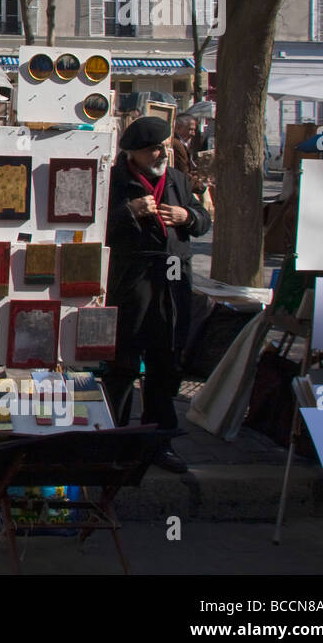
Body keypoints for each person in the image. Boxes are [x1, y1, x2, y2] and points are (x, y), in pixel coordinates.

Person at [103, 116, 211, 474]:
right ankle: (114, 436)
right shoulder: (116, 182)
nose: (161, 153)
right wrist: (129, 212)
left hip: (174, 278)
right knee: (124, 360)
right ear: (134, 154)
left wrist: (188, 216)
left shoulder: (177, 180)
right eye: (153, 149)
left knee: (167, 361)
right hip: (134, 278)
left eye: (163, 146)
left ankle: (159, 440)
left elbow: (203, 218)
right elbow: (97, 226)